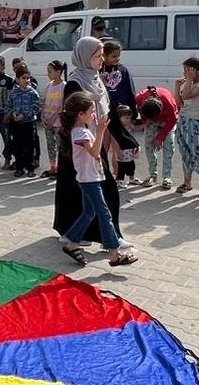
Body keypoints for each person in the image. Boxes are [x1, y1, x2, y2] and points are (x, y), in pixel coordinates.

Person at [58, 91, 137, 267]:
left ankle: (72, 243)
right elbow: (94, 152)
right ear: (80, 114)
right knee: (104, 213)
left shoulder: (82, 130)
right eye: (91, 111)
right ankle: (114, 254)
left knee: (89, 212)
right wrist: (101, 130)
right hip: (89, 179)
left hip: (90, 177)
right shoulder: (80, 133)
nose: (94, 115)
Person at [53, 36, 115, 244]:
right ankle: (73, 233)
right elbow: (71, 115)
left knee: (99, 194)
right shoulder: (75, 83)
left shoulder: (96, 79)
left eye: (101, 56)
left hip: (94, 139)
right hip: (78, 145)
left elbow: (107, 109)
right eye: (97, 56)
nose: (101, 60)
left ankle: (101, 235)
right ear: (84, 56)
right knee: (74, 190)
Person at [100, 40, 138, 186]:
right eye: (113, 56)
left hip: (121, 116)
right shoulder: (98, 71)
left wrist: (133, 113)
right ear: (104, 56)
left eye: (118, 56)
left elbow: (130, 91)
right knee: (103, 146)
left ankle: (118, 176)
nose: (117, 59)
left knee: (120, 147)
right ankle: (103, 174)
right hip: (104, 115)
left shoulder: (123, 70)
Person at [175, 57, 199, 196]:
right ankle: (187, 182)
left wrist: (188, 80)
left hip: (196, 121)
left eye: (187, 70)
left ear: (195, 71)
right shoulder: (186, 84)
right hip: (183, 120)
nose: (184, 73)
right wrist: (177, 86)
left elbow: (187, 96)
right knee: (185, 153)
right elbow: (179, 102)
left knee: (198, 153)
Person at [135, 86, 178, 188]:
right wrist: (146, 121)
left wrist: (160, 137)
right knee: (149, 145)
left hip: (167, 120)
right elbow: (141, 114)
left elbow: (173, 120)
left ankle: (167, 177)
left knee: (169, 146)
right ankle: (152, 175)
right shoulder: (140, 98)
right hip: (150, 120)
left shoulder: (168, 102)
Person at [6, 67, 42, 178]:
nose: (26, 80)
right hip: (16, 124)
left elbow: (36, 107)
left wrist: (24, 115)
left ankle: (30, 168)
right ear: (17, 79)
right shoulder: (13, 93)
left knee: (29, 146)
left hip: (28, 123)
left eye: (28, 78)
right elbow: (8, 106)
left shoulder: (33, 93)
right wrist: (12, 114)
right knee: (17, 146)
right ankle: (19, 168)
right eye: (23, 78)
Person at [39, 61, 67, 179]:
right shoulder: (49, 85)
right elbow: (44, 102)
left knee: (60, 145)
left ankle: (61, 169)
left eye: (50, 72)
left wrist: (53, 119)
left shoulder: (64, 86)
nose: (48, 74)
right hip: (47, 120)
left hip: (57, 122)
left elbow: (62, 105)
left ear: (58, 72)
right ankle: (53, 167)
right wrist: (42, 116)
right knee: (50, 145)